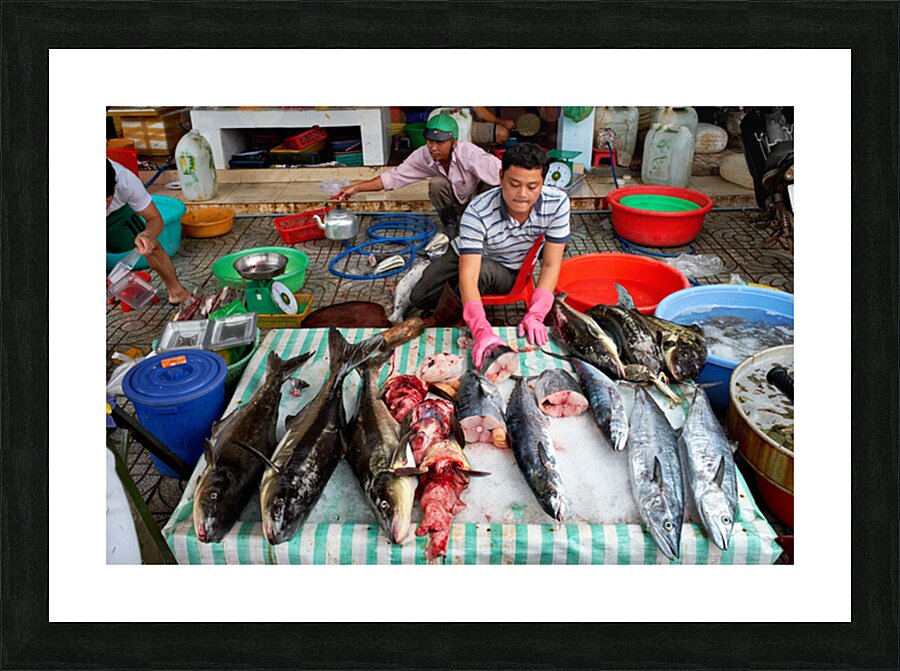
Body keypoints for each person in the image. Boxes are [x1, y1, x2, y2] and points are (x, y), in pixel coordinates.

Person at [408, 143, 570, 367]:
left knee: (481, 273)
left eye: (532, 186)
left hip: (505, 268)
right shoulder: (478, 210)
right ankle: (454, 296)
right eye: (514, 184)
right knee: (419, 297)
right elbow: (468, 275)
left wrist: (537, 313)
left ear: (543, 182)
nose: (522, 195)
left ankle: (455, 314)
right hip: (466, 251)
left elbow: (551, 265)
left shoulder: (559, 203)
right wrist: (483, 330)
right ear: (501, 176)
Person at [334, 114, 501, 238]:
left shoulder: (470, 153)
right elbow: (393, 178)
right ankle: (450, 225)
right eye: (430, 141)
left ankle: (487, 224)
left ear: (454, 142)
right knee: (436, 184)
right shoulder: (423, 155)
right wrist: (356, 187)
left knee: (493, 184)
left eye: (440, 143)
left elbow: (503, 174)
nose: (433, 148)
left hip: (478, 201)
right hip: (457, 203)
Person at [107, 158, 190, 305]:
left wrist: (146, 235)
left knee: (151, 244)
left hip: (117, 216)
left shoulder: (125, 180)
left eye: (106, 201)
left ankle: (177, 292)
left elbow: (154, 218)